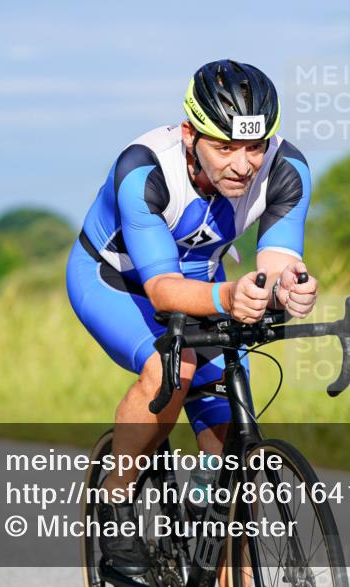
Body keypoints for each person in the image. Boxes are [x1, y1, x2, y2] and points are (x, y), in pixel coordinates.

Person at [65, 59, 318, 575]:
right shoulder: (144, 169)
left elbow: (277, 259)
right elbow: (160, 290)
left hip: (204, 281)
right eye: (225, 147)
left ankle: (210, 532)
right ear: (189, 135)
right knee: (170, 371)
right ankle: (115, 501)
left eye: (254, 146)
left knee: (228, 438)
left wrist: (287, 288)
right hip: (117, 281)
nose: (243, 165)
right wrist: (229, 297)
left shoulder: (289, 170)